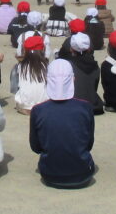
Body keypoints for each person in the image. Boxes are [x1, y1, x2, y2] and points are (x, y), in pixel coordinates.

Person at [29, 59, 96, 189]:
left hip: (49, 175)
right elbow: (89, 144)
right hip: (82, 174)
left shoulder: (38, 110)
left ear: (48, 80)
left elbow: (36, 147)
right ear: (73, 80)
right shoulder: (85, 107)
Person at [67, 33, 103, 115]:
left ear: (71, 49)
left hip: (74, 104)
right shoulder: (95, 66)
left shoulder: (68, 66)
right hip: (93, 105)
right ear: (89, 49)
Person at [12, 34, 49, 114]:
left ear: (25, 50)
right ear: (43, 49)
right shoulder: (46, 66)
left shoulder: (20, 66)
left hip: (24, 107)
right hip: (43, 106)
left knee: (16, 74)